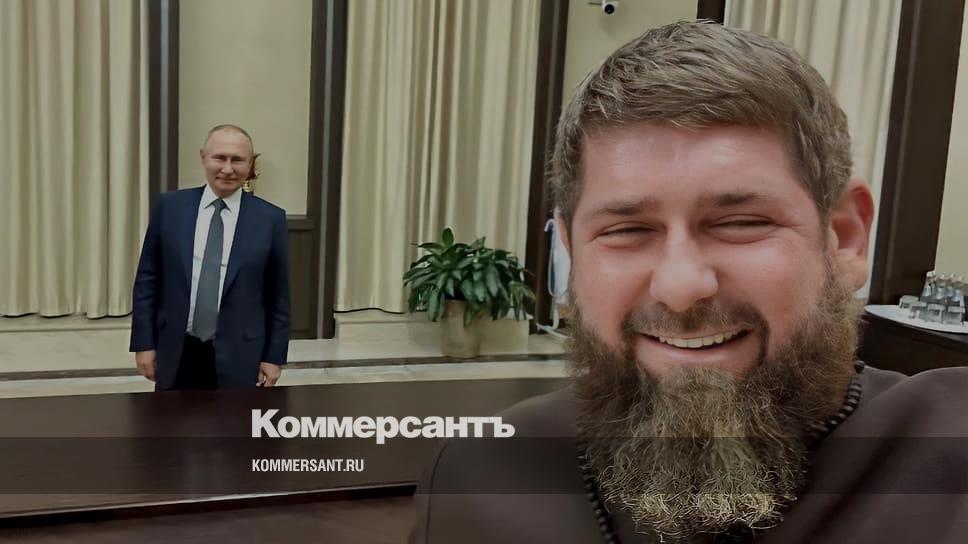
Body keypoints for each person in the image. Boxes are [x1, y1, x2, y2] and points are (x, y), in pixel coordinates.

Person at [411, 21, 968, 543]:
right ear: (571, 253)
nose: (681, 287)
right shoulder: (481, 473)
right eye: (627, 231)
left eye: (742, 223)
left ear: (845, 239)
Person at [130, 124, 290, 390]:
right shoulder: (170, 208)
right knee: (169, 417)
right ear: (203, 157)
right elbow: (148, 279)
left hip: (241, 353)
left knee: (234, 418)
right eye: (220, 158)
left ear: (250, 164)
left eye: (237, 160)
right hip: (176, 348)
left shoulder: (270, 219)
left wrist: (274, 357)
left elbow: (278, 296)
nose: (228, 169)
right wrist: (144, 343)